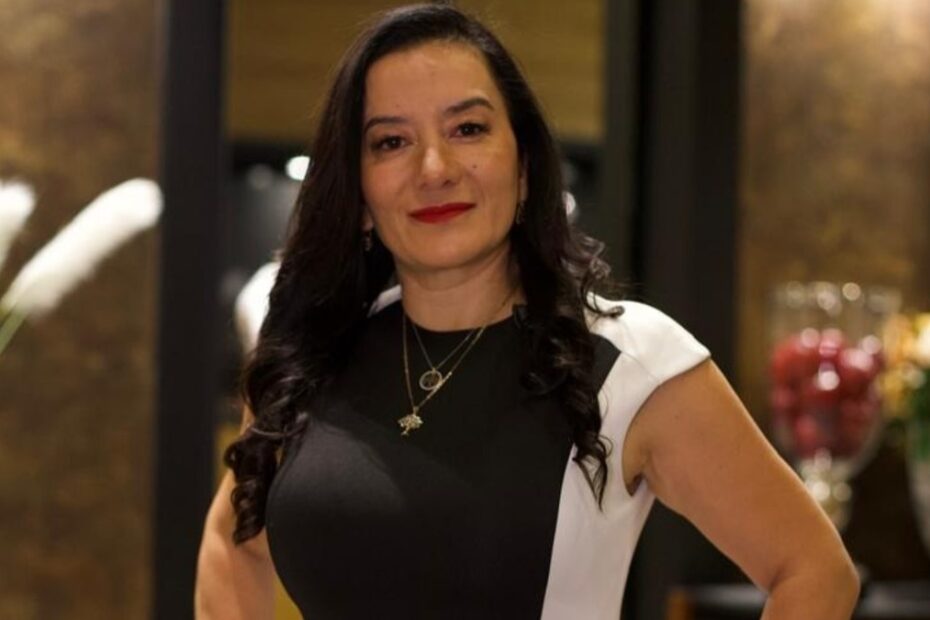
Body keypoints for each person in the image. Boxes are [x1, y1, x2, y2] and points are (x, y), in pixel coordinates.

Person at [195, 4, 859, 619]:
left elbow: (814, 569)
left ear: (524, 169)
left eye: (468, 129)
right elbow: (234, 542)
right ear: (360, 194)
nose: (434, 167)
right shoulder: (311, 355)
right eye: (391, 142)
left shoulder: (632, 362)